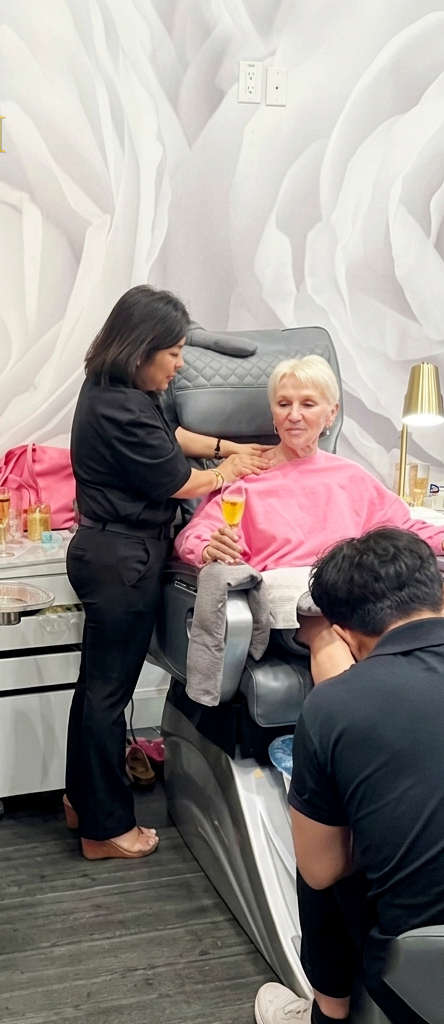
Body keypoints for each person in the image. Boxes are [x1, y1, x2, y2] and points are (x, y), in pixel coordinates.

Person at [64, 285, 270, 860]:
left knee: (95, 692)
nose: (180, 364)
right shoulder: (120, 407)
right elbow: (179, 479)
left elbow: (172, 437)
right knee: (109, 696)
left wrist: (232, 446)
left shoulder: (116, 387)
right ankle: (106, 830)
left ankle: (83, 800)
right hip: (121, 561)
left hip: (112, 553)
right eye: (174, 353)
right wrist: (228, 470)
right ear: (139, 350)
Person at [254, 528, 444, 1024]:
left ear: (341, 632)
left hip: (425, 964)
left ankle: (329, 1011)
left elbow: (321, 869)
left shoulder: (334, 705)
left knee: (322, 846)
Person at [174, 354, 444, 572]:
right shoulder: (247, 474)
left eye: (308, 404)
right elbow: (195, 535)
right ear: (273, 413)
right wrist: (209, 548)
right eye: (283, 404)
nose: (293, 415)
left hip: (356, 587)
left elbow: (403, 528)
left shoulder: (350, 476)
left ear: (331, 414)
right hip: (298, 602)